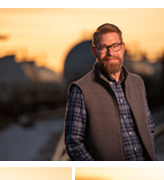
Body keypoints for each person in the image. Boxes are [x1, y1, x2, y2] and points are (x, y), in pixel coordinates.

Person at [64, 23, 157, 161]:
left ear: (123, 48)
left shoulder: (137, 83)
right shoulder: (81, 91)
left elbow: (149, 127)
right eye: (103, 48)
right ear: (94, 52)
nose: (110, 53)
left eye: (115, 46)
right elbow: (73, 144)